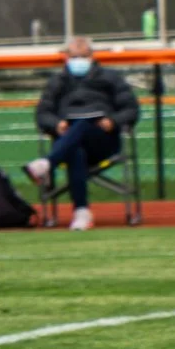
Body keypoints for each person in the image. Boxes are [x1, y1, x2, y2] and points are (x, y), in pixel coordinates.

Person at [22, 37, 140, 232]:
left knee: (85, 124)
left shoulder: (110, 78)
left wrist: (112, 121)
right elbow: (42, 114)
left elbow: (131, 109)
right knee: (76, 149)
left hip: (103, 139)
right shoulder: (57, 82)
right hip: (67, 141)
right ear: (66, 57)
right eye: (74, 56)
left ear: (92, 56)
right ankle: (81, 212)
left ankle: (46, 164)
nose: (78, 60)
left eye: (83, 56)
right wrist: (57, 124)